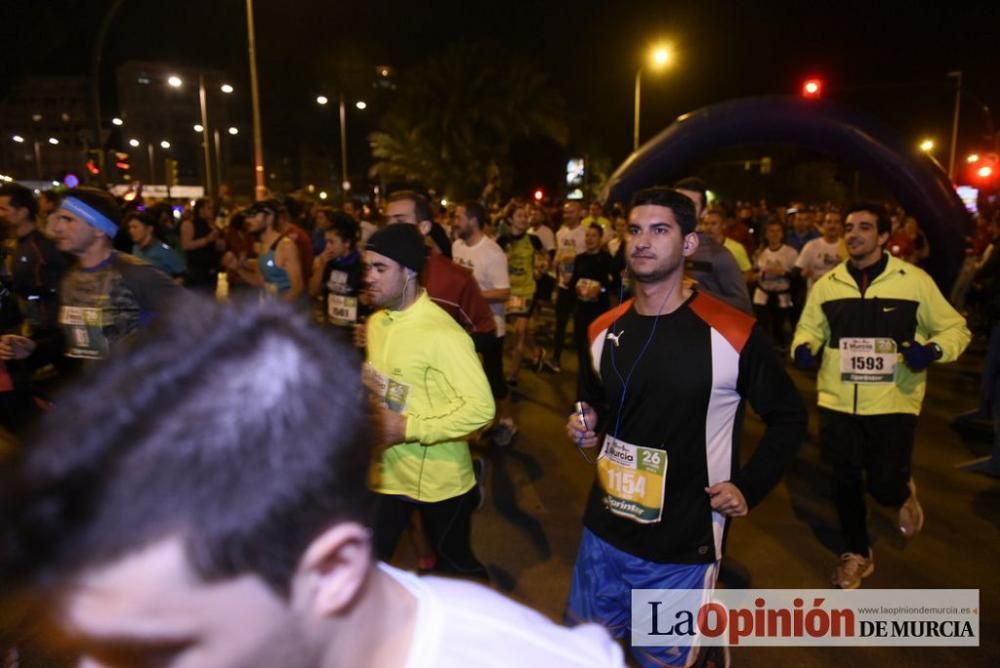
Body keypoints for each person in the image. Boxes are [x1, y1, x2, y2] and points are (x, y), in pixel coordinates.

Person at [0, 296, 625, 668]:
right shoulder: (382, 325)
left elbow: (480, 408)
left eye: (170, 645)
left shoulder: (516, 657)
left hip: (678, 539)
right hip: (588, 530)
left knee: (672, 628)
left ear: (330, 570)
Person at [566, 186, 806, 667]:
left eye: (660, 230)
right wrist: (585, 424)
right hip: (602, 534)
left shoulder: (732, 333)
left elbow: (789, 415)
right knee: (585, 653)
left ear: (689, 245)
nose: (642, 242)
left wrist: (749, 487)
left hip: (680, 547)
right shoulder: (600, 329)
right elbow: (592, 402)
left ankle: (708, 642)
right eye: (634, 230)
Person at [792, 202, 971, 589]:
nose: (853, 233)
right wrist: (804, 348)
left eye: (865, 227)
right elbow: (808, 329)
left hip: (894, 402)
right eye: (849, 226)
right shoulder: (828, 285)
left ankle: (901, 489)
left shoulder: (914, 281)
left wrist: (933, 351)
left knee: (884, 487)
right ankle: (857, 553)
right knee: (844, 481)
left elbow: (956, 330)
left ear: (884, 236)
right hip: (838, 401)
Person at [364, 224, 495, 579]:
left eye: (380, 268)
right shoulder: (377, 323)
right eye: (368, 267)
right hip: (389, 473)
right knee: (366, 564)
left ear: (408, 271)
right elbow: (394, 385)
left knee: (458, 568)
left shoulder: (443, 333)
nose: (369, 277)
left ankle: (480, 625)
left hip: (440, 481)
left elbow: (482, 409)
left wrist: (407, 427)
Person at [0, 188, 180, 368]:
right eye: (58, 218)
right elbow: (80, 340)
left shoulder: (135, 273)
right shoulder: (70, 280)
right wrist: (35, 348)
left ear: (99, 229)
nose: (57, 227)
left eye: (68, 219)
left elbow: (195, 324)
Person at [453, 200, 517, 444]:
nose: (454, 221)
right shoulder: (457, 246)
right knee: (462, 373)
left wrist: (473, 293)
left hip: (490, 327)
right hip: (463, 324)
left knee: (494, 377)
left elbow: (504, 292)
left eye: (458, 216)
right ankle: (475, 419)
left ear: (472, 220)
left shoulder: (493, 253)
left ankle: (508, 421)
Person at [673, 177, 752, 313]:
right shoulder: (658, 248)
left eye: (691, 203)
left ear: (703, 212)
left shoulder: (718, 255)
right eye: (677, 202)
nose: (683, 209)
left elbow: (743, 305)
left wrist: (697, 291)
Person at [498, 199, 543, 386]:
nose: (524, 219)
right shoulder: (501, 242)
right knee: (513, 332)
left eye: (526, 216)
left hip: (527, 290)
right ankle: (536, 351)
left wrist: (541, 266)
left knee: (519, 331)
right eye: (520, 216)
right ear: (510, 220)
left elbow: (543, 259)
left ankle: (513, 376)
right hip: (508, 292)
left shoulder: (533, 239)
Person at [226, 200, 304, 304]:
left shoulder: (286, 246)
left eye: (254, 216)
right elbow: (259, 281)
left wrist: (276, 310)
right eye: (248, 216)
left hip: (288, 315)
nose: (248, 220)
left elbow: (297, 288)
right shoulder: (262, 246)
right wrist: (237, 268)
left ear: (269, 217)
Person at [569, 223, 614, 389]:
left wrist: (599, 289)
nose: (589, 239)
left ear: (600, 238)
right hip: (581, 311)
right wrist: (576, 286)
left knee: (596, 353)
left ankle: (597, 388)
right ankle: (582, 393)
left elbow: (613, 285)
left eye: (593, 236)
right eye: (587, 236)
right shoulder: (580, 258)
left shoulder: (607, 259)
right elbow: (573, 282)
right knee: (581, 352)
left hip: (599, 312)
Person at [548, 200, 588, 372]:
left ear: (580, 213)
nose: (567, 215)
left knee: (581, 327)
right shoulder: (560, 233)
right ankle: (556, 359)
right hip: (564, 285)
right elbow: (557, 259)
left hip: (580, 286)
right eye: (565, 212)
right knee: (560, 325)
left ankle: (586, 365)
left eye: (571, 212)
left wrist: (572, 260)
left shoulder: (585, 233)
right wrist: (556, 285)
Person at [309, 212, 366, 331]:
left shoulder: (362, 266)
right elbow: (313, 292)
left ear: (347, 243)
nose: (327, 247)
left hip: (353, 333)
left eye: (332, 242)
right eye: (326, 242)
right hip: (330, 331)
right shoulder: (327, 262)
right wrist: (321, 265)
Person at [752, 220, 798, 349]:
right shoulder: (760, 252)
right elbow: (752, 273)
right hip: (762, 294)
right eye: (771, 231)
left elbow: (797, 276)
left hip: (782, 296)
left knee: (780, 328)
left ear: (783, 234)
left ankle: (781, 350)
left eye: (778, 231)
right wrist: (760, 275)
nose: (775, 234)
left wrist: (782, 272)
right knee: (762, 327)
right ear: (766, 234)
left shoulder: (791, 253)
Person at [795, 209, 846, 293]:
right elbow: (798, 269)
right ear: (823, 225)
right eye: (829, 222)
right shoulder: (811, 245)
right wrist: (803, 273)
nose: (832, 225)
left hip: (839, 295)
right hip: (816, 295)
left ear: (841, 226)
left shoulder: (847, 246)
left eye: (837, 222)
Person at [126, 210, 186, 281]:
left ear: (149, 229)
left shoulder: (165, 251)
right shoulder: (135, 249)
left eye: (135, 227)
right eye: (129, 227)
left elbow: (182, 275)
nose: (131, 231)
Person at [180, 197, 222, 291]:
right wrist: (206, 240)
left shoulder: (213, 225)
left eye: (212, 208)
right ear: (200, 210)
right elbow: (186, 245)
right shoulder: (189, 224)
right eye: (209, 208)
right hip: (196, 272)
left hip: (211, 271)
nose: (212, 211)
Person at [702, 207, 752, 280]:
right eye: (706, 224)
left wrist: (733, 287)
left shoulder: (736, 248)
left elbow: (748, 273)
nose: (708, 227)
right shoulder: (698, 248)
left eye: (713, 224)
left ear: (723, 225)